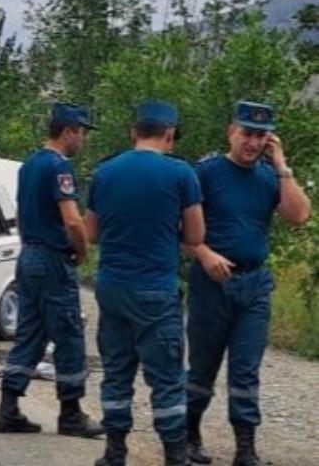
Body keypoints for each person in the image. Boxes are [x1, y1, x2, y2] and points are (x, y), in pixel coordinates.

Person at [184, 102, 311, 466]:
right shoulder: (206, 172)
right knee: (202, 368)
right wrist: (204, 254)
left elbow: (299, 216)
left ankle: (245, 448)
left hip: (254, 285)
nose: (252, 143)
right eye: (246, 133)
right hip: (212, 284)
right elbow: (181, 229)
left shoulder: (270, 177)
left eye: (260, 136)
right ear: (231, 132)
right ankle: (190, 434)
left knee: (245, 371)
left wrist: (283, 166)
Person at [86, 100, 206, 466]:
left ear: (133, 132)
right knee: (167, 378)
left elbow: (90, 234)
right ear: (169, 135)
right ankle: (174, 455)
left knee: (117, 373)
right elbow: (196, 234)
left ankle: (114, 452)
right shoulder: (181, 174)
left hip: (111, 286)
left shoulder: (104, 172)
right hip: (155, 288)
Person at [0, 103, 104, 439]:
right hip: (53, 259)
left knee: (31, 331)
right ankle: (71, 413)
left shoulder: (30, 164)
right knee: (69, 333)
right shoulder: (59, 167)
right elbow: (71, 219)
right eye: (81, 132)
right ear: (69, 131)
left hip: (28, 256)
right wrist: (82, 249)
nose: (82, 140)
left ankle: (8, 408)